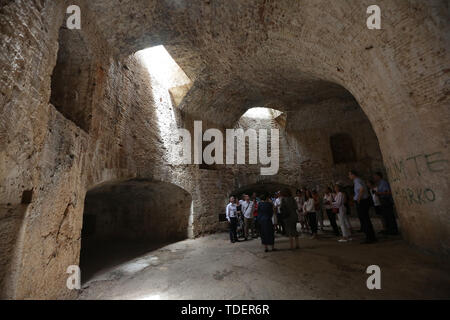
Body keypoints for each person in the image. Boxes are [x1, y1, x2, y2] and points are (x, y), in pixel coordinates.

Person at [349, 170, 377, 244]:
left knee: (365, 219)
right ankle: (371, 236)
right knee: (366, 219)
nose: (349, 176)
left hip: (362, 202)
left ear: (353, 175)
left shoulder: (357, 180)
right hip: (364, 201)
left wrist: (358, 199)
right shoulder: (359, 180)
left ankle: (369, 237)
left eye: (349, 175)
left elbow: (361, 189)